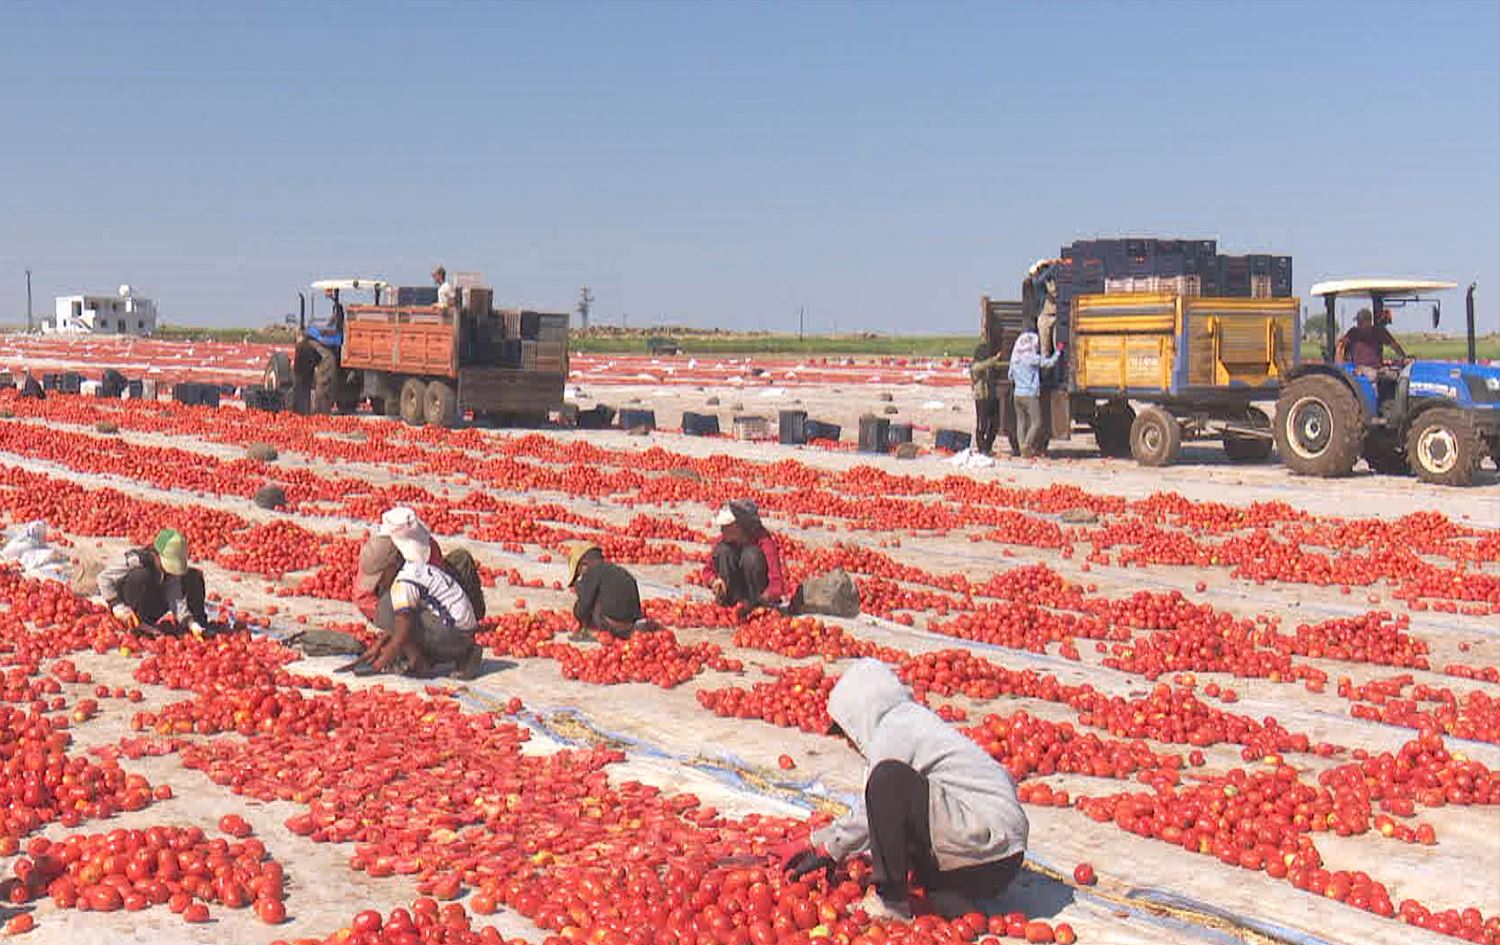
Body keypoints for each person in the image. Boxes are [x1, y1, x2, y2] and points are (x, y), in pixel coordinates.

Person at [777, 660, 1028, 921]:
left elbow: (874, 810)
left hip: (983, 845)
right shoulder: (916, 721)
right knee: (901, 800)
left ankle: (891, 904)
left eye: (846, 731)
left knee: (887, 780)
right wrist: (818, 842)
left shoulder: (894, 729)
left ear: (861, 713)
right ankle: (948, 895)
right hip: (1000, 859)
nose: (848, 741)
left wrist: (827, 848)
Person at [357, 509, 482, 679]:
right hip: (456, 622)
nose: (377, 585)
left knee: (390, 607)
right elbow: (367, 600)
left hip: (455, 633)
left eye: (379, 579)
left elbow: (402, 628)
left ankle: (459, 653)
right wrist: (382, 642)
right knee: (396, 611)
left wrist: (378, 664)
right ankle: (425, 658)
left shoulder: (404, 581)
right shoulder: (396, 561)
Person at [98, 528, 208, 637]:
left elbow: (175, 598)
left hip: (151, 605)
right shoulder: (137, 560)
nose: (168, 570)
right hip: (128, 608)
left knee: (193, 576)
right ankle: (135, 625)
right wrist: (117, 606)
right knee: (141, 575)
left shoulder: (171, 573)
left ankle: (200, 627)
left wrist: (190, 622)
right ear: (157, 555)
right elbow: (104, 578)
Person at [702, 500, 786, 614]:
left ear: (738, 527)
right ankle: (729, 601)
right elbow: (707, 571)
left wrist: (763, 599)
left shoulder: (764, 541)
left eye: (725, 526)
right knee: (723, 550)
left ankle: (754, 605)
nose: (721, 530)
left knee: (751, 555)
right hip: (734, 596)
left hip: (757, 597)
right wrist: (714, 582)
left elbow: (777, 584)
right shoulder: (722, 541)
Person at [567, 542, 659, 640]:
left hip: (613, 626)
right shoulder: (620, 571)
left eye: (579, 573)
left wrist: (578, 609)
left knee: (587, 606)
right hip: (631, 625)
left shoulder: (592, 572)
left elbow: (583, 608)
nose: (581, 576)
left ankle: (592, 632)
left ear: (584, 565)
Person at [1007, 330, 1062, 459]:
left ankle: (1022, 448)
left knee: (1021, 422)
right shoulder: (1032, 358)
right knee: (1036, 423)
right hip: (1030, 395)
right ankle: (1027, 446)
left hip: (1017, 395)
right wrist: (1058, 351)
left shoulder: (1015, 359)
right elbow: (1049, 363)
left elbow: (1010, 376)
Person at [1337, 308, 1407, 380]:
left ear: (1369, 321)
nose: (1358, 324)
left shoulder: (1379, 332)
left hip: (1377, 369)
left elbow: (1394, 346)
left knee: (1396, 376)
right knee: (1372, 375)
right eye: (1358, 322)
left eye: (1360, 322)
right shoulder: (1353, 333)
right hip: (1360, 370)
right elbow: (1340, 346)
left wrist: (1404, 358)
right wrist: (1339, 366)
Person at [969, 335, 1003, 456]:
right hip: (981, 397)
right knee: (982, 425)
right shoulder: (976, 366)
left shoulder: (986, 365)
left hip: (990, 396)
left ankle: (987, 446)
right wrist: (995, 358)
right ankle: (982, 448)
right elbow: (982, 366)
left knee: (995, 424)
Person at [291, 332, 318, 415]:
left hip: (300, 374)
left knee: (299, 394)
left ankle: (299, 412)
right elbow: (318, 358)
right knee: (306, 394)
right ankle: (306, 412)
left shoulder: (300, 347)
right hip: (309, 374)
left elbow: (298, 361)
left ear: (300, 337)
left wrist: (295, 371)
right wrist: (312, 367)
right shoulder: (311, 347)